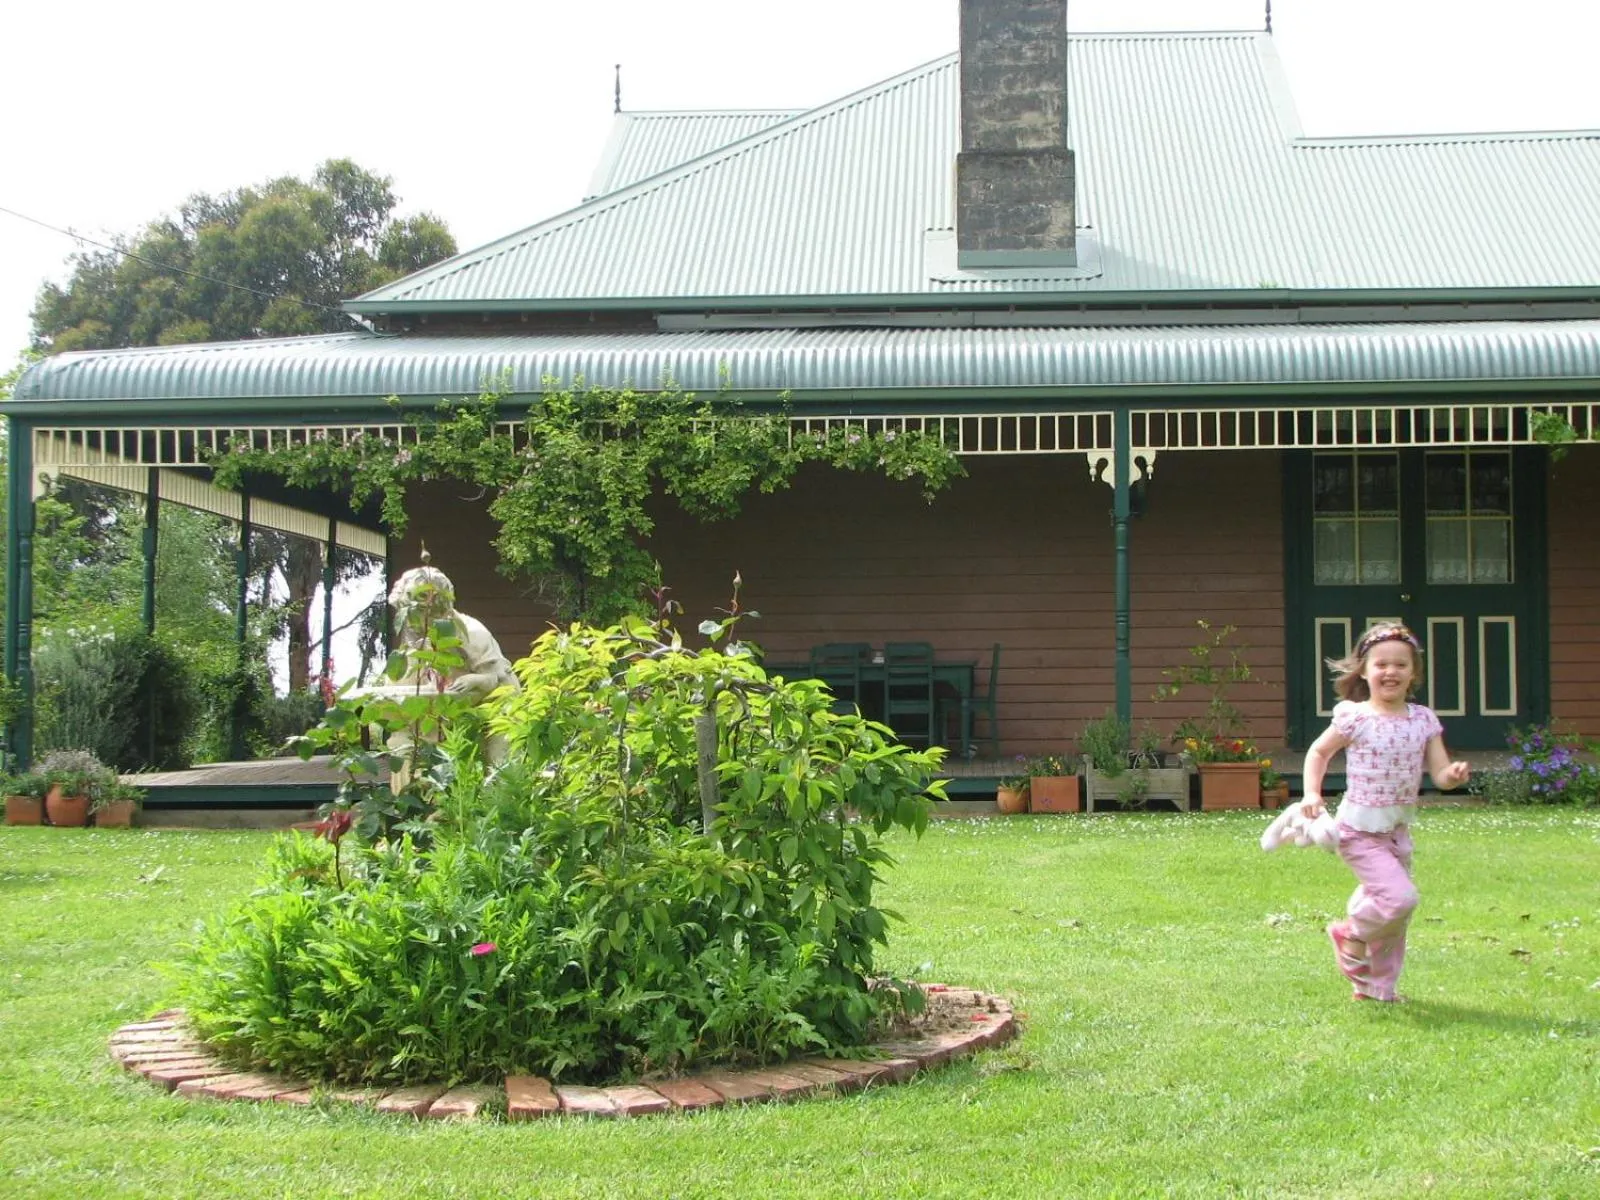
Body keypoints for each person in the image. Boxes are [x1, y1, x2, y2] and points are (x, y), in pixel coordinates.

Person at [1298, 623, 1470, 1002]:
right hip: (1359, 830)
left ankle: (1377, 988)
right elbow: (1319, 751)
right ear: (1364, 670)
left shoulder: (1423, 720)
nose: (1390, 672)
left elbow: (1439, 773)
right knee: (1399, 898)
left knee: (1394, 917)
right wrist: (1312, 792)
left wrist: (1452, 776)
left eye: (1400, 665)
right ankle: (1352, 933)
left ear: (1413, 673)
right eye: (1381, 664)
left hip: (1396, 831)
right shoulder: (1355, 717)